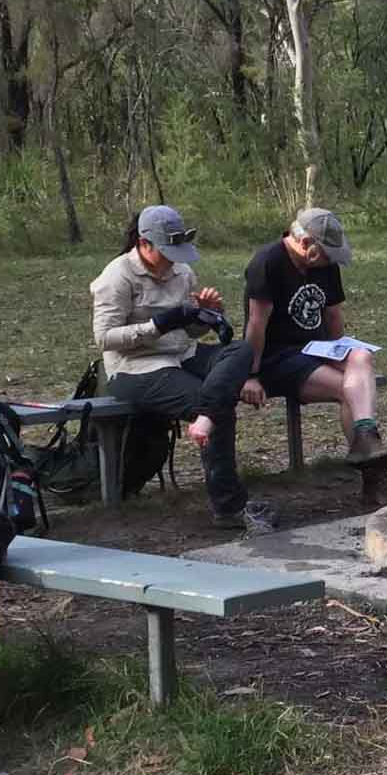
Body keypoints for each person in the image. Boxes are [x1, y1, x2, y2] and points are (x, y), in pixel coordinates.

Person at [90, 205, 276, 534]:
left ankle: (205, 414)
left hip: (181, 353)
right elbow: (104, 339)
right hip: (134, 368)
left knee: (241, 349)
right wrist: (156, 325)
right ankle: (229, 506)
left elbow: (189, 333)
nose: (174, 259)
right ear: (144, 244)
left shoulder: (183, 272)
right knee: (218, 409)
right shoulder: (116, 276)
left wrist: (205, 314)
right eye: (167, 251)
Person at [242, 207, 387, 505]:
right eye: (327, 254)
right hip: (279, 357)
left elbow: (333, 314)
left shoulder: (323, 263)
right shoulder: (267, 262)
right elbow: (255, 325)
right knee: (348, 390)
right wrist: (251, 375)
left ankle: (366, 437)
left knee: (361, 357)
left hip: (317, 349)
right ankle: (374, 479)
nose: (329, 261)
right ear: (305, 243)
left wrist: (341, 350)